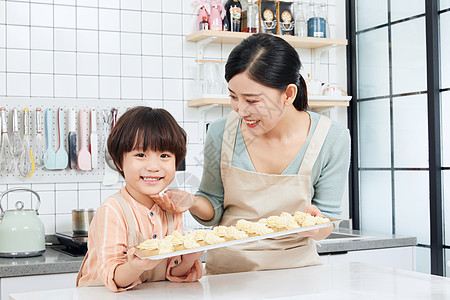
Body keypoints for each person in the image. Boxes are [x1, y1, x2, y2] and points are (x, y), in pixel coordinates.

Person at [155, 33, 350, 275]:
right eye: (233, 97)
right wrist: (192, 202)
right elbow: (213, 206)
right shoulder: (220, 132)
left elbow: (328, 218)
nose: (240, 110)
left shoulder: (332, 138)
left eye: (252, 100)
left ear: (288, 94)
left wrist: (315, 225)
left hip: (298, 273)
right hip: (229, 271)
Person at [76, 106, 203, 292]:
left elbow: (173, 272)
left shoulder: (171, 208)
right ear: (119, 162)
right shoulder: (113, 210)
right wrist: (135, 266)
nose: (153, 166)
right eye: (141, 155)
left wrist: (189, 258)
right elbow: (114, 278)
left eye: (164, 155)